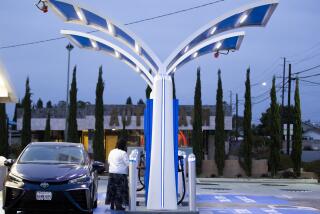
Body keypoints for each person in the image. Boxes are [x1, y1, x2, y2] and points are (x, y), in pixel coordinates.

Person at [105, 138, 129, 210]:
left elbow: (109, 161)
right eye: (126, 145)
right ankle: (119, 206)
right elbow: (128, 163)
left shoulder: (112, 151)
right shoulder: (123, 153)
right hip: (120, 174)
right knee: (120, 190)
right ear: (124, 145)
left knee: (112, 189)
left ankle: (112, 204)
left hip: (112, 173)